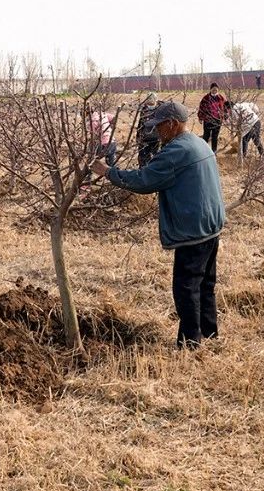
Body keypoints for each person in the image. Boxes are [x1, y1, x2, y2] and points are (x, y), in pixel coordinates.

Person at [92, 101, 225, 349]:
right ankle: (209, 334)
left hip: (193, 230)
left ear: (173, 124)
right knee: (205, 284)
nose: (155, 131)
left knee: (186, 288)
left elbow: (143, 180)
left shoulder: (176, 152)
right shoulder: (196, 142)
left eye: (159, 126)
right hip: (211, 225)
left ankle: (189, 345)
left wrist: (107, 171)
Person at [197, 83, 227, 152]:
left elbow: (225, 108)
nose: (215, 91)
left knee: (215, 137)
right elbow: (201, 108)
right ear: (210, 89)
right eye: (213, 90)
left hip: (217, 120)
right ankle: (204, 151)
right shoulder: (206, 98)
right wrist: (200, 117)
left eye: (216, 90)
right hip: (208, 120)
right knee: (206, 136)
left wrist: (225, 117)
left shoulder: (221, 98)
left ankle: (214, 151)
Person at [136, 93, 161, 167]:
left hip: (156, 138)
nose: (149, 101)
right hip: (144, 138)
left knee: (156, 156)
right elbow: (141, 123)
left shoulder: (160, 109)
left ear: (155, 100)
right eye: (148, 99)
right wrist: (138, 136)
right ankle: (143, 171)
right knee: (143, 158)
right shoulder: (144, 109)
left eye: (151, 99)